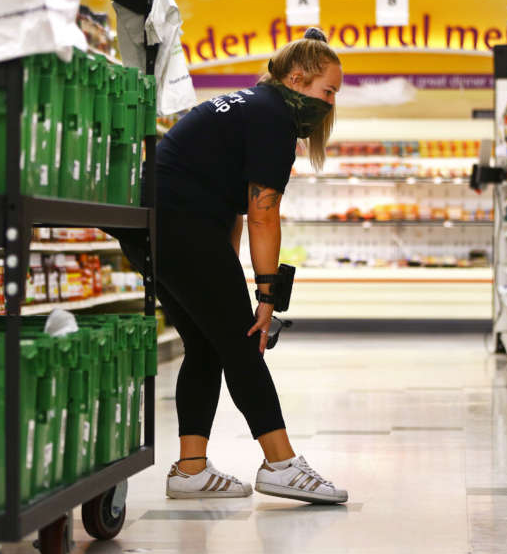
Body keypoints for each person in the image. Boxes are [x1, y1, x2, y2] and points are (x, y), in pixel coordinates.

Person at [120, 28, 348, 504]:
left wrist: (241, 281)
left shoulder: (247, 105)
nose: (330, 103)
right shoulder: (273, 120)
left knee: (206, 346)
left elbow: (235, 214)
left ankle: (191, 470)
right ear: (296, 78)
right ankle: (280, 462)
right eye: (327, 91)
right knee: (244, 343)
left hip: (149, 224)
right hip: (180, 224)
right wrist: (265, 298)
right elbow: (264, 211)